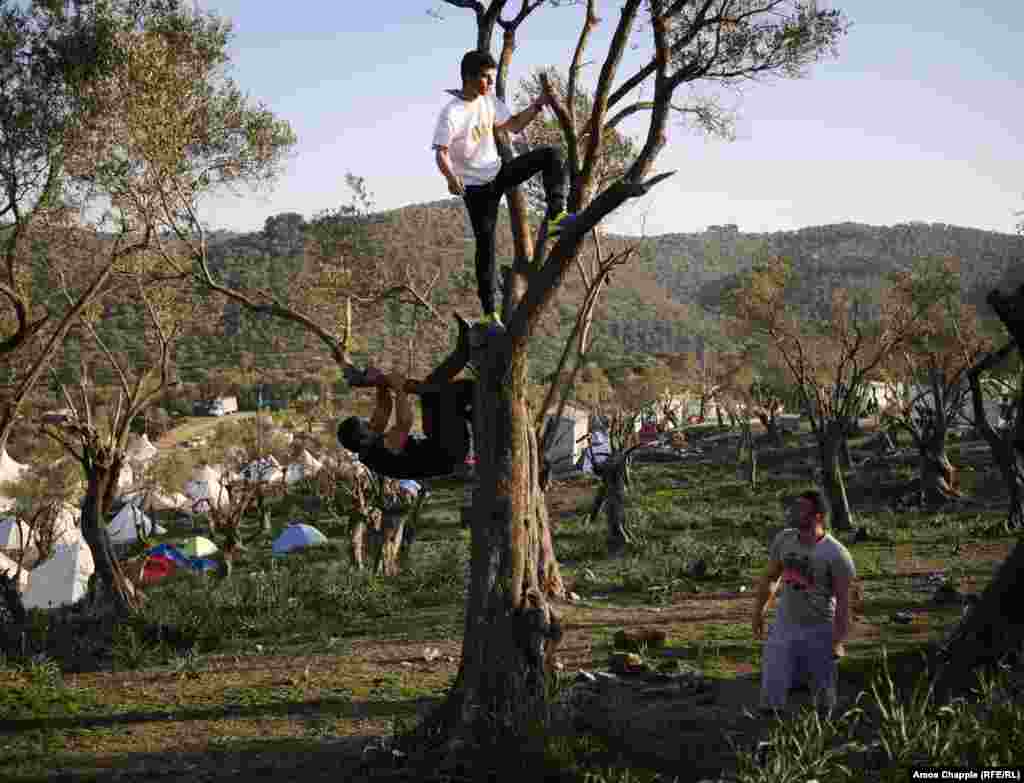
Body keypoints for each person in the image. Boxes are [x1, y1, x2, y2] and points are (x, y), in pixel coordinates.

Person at [432, 49, 576, 332]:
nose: (488, 82)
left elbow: (512, 126)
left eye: (491, 77)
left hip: (498, 173)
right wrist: (451, 177)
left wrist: (538, 104)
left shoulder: (489, 101)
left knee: (552, 154)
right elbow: (441, 152)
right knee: (486, 248)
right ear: (469, 77)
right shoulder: (452, 112)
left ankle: (558, 214)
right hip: (475, 190)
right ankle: (489, 315)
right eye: (485, 77)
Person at [752, 489, 856, 713]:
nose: (794, 512)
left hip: (820, 628)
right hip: (784, 624)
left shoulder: (836, 554)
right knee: (772, 684)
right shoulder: (784, 540)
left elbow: (845, 603)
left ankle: (821, 736)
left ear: (818, 516)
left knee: (823, 698)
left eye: (801, 509)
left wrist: (837, 641)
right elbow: (771, 578)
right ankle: (768, 731)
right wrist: (758, 613)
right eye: (794, 507)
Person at [338, 327, 475, 480]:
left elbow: (383, 410)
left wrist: (379, 382)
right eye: (367, 426)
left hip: (439, 442)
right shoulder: (380, 452)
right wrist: (398, 387)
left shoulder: (368, 441)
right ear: (363, 438)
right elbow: (405, 421)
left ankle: (464, 354)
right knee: (442, 395)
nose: (371, 423)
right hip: (452, 451)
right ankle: (471, 377)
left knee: (431, 391)